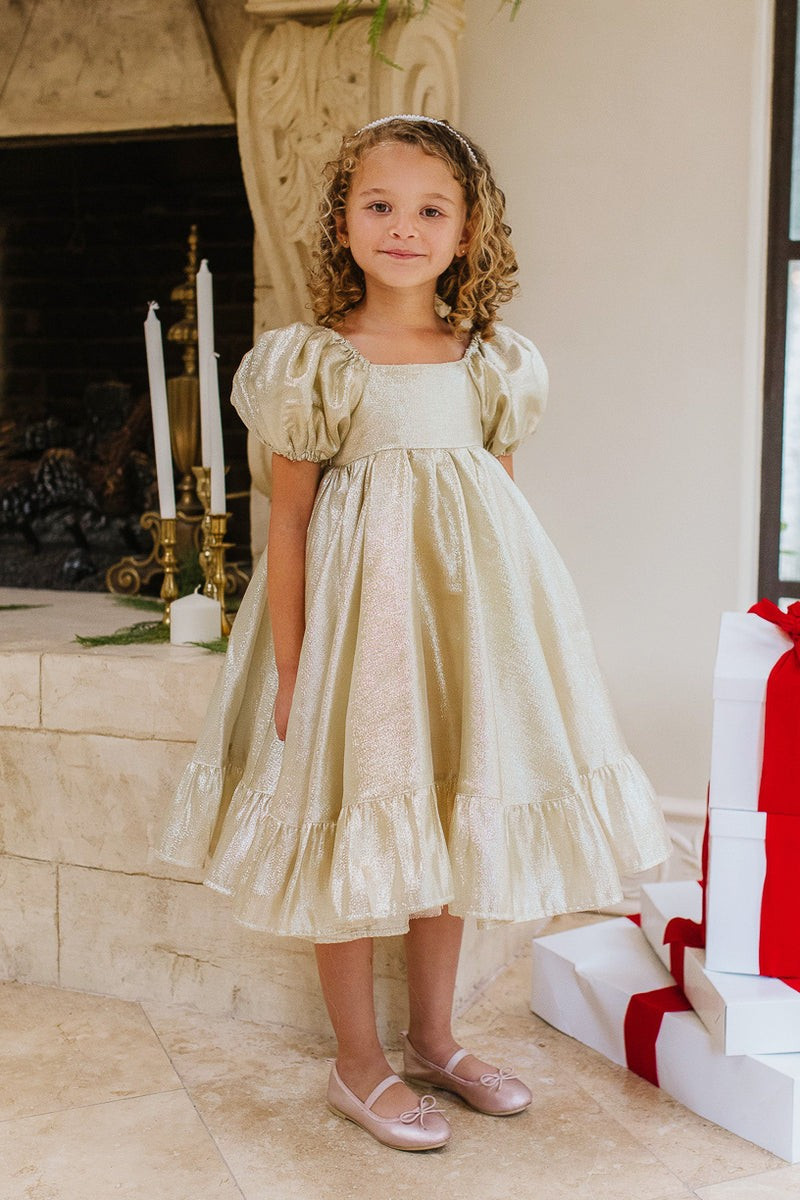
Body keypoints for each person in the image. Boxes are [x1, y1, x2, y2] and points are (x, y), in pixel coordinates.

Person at [156, 114, 670, 1152]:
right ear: (343, 221)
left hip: (460, 632)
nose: (403, 227)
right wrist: (293, 666)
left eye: (430, 209)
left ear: (467, 230)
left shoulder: (490, 359)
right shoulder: (315, 362)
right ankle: (358, 1062)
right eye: (380, 205)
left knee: (449, 818)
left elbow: (499, 511)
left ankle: (434, 1038)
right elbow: (288, 521)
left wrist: (507, 655)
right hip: (355, 640)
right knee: (346, 823)